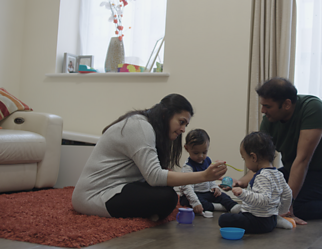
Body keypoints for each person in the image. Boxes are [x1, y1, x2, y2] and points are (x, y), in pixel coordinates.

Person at [72, 94, 227, 221]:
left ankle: (148, 213)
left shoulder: (148, 127)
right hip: (94, 195)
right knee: (168, 197)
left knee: (167, 191)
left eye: (185, 125)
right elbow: (154, 176)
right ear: (166, 114)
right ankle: (149, 213)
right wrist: (203, 176)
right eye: (181, 122)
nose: (183, 129)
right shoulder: (141, 127)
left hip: (117, 187)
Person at [232, 77, 322, 224]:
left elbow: (302, 160)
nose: (263, 111)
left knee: (294, 206)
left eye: (268, 106)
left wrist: (288, 206)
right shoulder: (270, 120)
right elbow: (261, 161)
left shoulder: (313, 108)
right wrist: (241, 182)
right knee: (261, 189)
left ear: (287, 104)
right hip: (294, 169)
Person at [218, 131, 293, 234]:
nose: (245, 162)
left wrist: (242, 193)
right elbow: (288, 193)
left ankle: (275, 220)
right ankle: (276, 220)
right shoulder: (278, 174)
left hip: (258, 221)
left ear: (253, 157)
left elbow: (264, 200)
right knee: (239, 210)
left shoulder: (262, 176)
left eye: (244, 159)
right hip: (269, 218)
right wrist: (281, 211)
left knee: (223, 219)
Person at [179, 129, 241, 216]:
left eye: (204, 152)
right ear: (187, 148)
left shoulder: (208, 160)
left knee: (222, 196)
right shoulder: (188, 167)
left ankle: (233, 206)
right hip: (194, 194)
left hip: (207, 192)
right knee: (190, 202)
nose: (201, 156)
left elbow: (211, 177)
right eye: (196, 153)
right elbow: (187, 188)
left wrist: (214, 186)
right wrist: (195, 202)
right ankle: (217, 207)